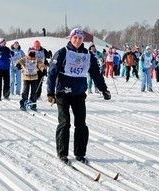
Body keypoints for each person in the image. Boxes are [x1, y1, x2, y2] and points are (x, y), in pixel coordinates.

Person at [46, 28, 111, 164]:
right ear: (71, 38)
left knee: (81, 124)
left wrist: (104, 89)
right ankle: (62, 153)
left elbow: (95, 73)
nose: (77, 40)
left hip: (79, 94)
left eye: (80, 38)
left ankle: (80, 153)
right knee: (64, 123)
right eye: (75, 38)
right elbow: (52, 73)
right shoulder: (63, 53)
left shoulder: (87, 54)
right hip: (63, 93)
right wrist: (50, 93)